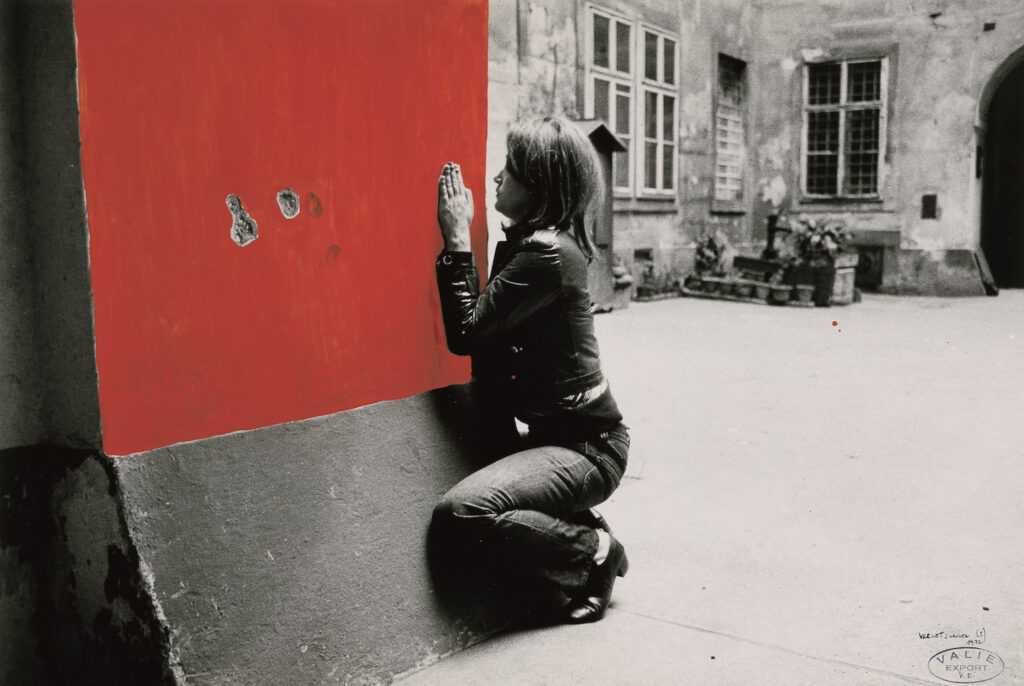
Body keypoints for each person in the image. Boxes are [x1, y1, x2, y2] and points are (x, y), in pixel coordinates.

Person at [432, 116, 630, 624]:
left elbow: (468, 333)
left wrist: (456, 238)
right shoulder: (533, 245)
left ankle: (592, 553)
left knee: (461, 513)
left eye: (510, 170)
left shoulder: (546, 253)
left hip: (587, 449)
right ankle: (584, 529)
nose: (497, 178)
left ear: (539, 186)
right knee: (472, 508)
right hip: (552, 437)